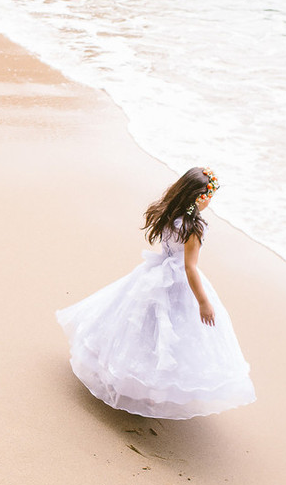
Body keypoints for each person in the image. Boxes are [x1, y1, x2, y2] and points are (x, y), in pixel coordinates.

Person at [56, 167, 255, 419]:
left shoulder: (169, 213)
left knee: (143, 326)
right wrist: (203, 301)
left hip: (156, 272)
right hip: (178, 282)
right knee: (168, 335)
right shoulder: (192, 228)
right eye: (209, 196)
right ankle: (152, 391)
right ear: (199, 198)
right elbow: (190, 267)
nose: (210, 201)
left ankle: (128, 378)